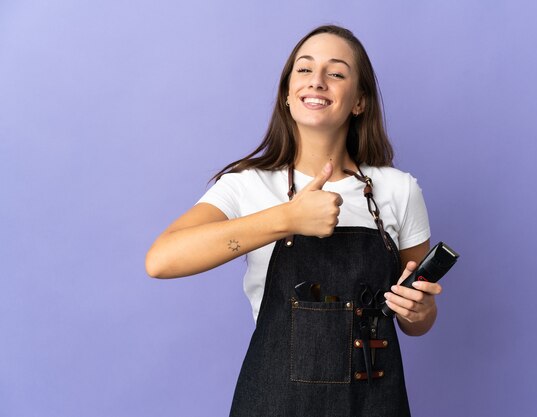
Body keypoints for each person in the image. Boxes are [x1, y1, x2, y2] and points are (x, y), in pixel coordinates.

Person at [146, 25, 442, 417]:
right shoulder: (246, 185)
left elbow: (417, 319)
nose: (316, 81)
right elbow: (162, 260)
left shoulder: (398, 189)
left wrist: (419, 312)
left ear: (359, 102)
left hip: (372, 404)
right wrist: (287, 218)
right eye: (304, 70)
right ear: (288, 94)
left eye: (336, 73)